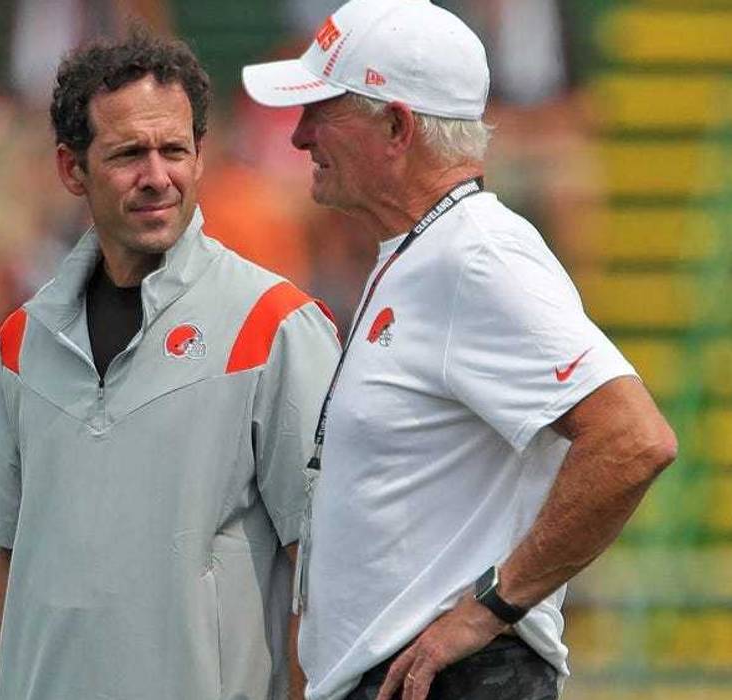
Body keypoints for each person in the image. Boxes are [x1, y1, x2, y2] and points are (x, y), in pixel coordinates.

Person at [241, 2, 677, 700]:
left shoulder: (475, 256)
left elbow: (633, 439)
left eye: (322, 111)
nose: (298, 136)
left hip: (457, 682)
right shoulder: (428, 250)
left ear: (396, 127)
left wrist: (491, 608)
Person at [0, 32, 342, 700]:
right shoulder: (21, 340)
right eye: (126, 154)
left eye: (174, 150)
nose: (156, 176)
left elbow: (325, 570)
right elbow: (10, 556)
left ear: (201, 158)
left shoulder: (276, 326)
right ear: (71, 169)